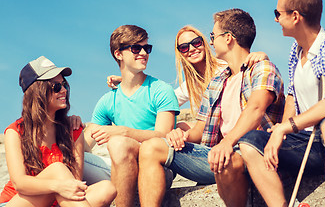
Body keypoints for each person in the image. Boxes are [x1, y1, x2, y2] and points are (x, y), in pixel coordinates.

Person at [137, 8, 285, 207]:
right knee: (151, 147)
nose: (211, 41)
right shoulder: (216, 82)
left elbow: (255, 109)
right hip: (218, 153)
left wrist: (227, 143)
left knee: (227, 160)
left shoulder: (261, 67)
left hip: (252, 152)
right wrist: (180, 135)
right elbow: (200, 128)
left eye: (212, 36)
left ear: (229, 38)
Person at [239, 0, 325, 207]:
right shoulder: (295, 50)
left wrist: (287, 126)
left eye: (278, 13)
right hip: (307, 140)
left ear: (295, 16)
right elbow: (293, 97)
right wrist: (280, 132)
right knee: (249, 142)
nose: (275, 19)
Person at [0, 56, 116, 207]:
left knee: (107, 188)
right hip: (19, 201)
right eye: (56, 87)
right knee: (57, 169)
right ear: (37, 92)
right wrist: (57, 186)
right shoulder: (16, 131)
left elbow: (74, 181)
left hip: (61, 202)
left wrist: (61, 188)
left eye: (64, 85)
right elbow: (20, 184)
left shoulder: (73, 129)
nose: (63, 91)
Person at [84, 25, 180, 207]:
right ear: (118, 54)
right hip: (121, 166)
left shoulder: (161, 90)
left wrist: (123, 132)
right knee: (68, 159)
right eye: (136, 48)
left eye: (147, 48)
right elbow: (86, 144)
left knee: (118, 141)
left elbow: (163, 135)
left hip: (156, 168)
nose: (144, 52)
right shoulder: (107, 100)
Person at [107, 25, 269, 118]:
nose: (191, 49)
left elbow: (243, 64)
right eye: (184, 47)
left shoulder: (223, 66)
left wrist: (261, 55)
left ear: (204, 43)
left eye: (196, 43)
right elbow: (164, 100)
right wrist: (128, 81)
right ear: (180, 53)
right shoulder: (190, 86)